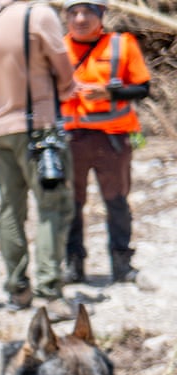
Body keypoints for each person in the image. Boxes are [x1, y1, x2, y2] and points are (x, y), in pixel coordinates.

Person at [0, 0, 78, 319]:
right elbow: (65, 75)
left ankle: (17, 289)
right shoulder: (38, 15)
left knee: (10, 209)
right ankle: (50, 293)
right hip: (37, 127)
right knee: (53, 205)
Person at [60, 0, 151, 284]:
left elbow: (142, 88)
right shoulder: (57, 49)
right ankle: (74, 265)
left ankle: (122, 264)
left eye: (87, 12)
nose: (80, 18)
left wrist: (110, 93)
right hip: (71, 140)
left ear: (101, 15)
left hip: (112, 140)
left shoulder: (121, 45)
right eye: (73, 13)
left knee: (116, 202)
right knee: (71, 205)